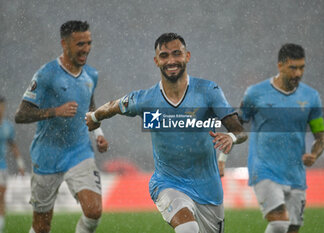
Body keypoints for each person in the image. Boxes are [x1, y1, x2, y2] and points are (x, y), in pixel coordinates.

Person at [85, 33, 247, 233]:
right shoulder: (146, 100)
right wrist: (94, 118)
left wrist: (230, 137)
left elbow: (240, 131)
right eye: (164, 56)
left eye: (176, 54)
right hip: (167, 183)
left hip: (208, 189)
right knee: (188, 229)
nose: (171, 61)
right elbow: (114, 106)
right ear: (156, 61)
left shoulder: (208, 91)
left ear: (187, 56)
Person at [15, 20, 108, 233]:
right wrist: (54, 111)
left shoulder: (91, 75)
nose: (86, 49)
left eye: (89, 43)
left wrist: (98, 133)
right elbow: (21, 115)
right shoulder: (46, 74)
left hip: (79, 152)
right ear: (64, 44)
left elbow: (89, 106)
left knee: (94, 211)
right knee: (41, 227)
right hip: (47, 155)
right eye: (80, 44)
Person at [238, 43, 324, 233]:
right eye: (293, 68)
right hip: (263, 169)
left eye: (302, 67)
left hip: (295, 173)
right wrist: (222, 154)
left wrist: (315, 154)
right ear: (280, 66)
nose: (298, 74)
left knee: (291, 229)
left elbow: (320, 137)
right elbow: (237, 124)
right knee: (279, 224)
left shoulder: (311, 97)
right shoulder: (255, 93)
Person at [0, 96, 25, 233]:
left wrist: (20, 165)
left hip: (1, 167)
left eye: (2, 107)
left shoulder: (7, 127)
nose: (1, 110)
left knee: (1, 198)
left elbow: (13, 146)